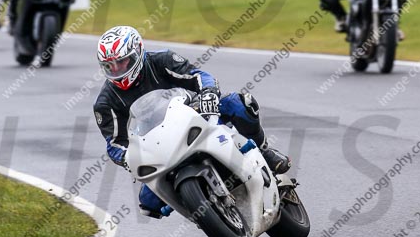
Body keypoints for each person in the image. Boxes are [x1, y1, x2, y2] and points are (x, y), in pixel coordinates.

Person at [93, 25, 291, 219]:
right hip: (157, 144)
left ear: (137, 52)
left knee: (240, 104)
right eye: (110, 66)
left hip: (194, 115)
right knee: (148, 204)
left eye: (123, 62)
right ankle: (204, 214)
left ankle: (264, 151)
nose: (117, 70)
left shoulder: (161, 60)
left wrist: (209, 92)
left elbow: (199, 76)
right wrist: (128, 157)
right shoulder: (105, 101)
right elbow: (114, 143)